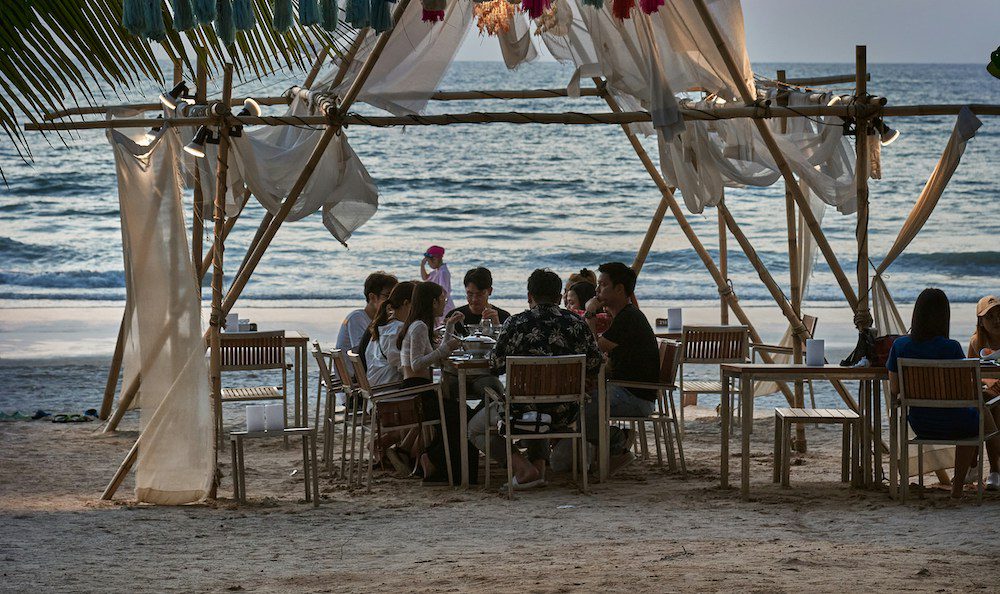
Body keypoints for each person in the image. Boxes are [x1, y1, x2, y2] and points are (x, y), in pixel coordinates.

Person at [468, 269, 603, 490]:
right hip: (565, 410)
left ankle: (522, 468)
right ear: (559, 298)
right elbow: (595, 363)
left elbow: (495, 365)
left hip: (523, 411)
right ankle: (538, 467)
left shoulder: (515, 324)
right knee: (536, 405)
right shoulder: (576, 324)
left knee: (474, 428)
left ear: (529, 296)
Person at [886, 288, 1000, 496]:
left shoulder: (900, 345)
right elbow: (965, 391)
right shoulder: (951, 347)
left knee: (974, 412)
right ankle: (959, 489)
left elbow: (894, 389)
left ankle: (980, 471)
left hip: (921, 423)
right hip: (957, 424)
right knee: (976, 416)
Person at [582, 262, 660, 473]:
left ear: (619, 289)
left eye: (603, 285)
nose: (597, 290)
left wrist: (590, 314)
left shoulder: (629, 318)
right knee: (578, 400)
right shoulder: (623, 316)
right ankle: (608, 447)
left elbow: (594, 350)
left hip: (635, 397)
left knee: (577, 408)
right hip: (627, 390)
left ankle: (618, 444)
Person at [397, 281, 466, 483]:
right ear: (433, 301)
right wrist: (446, 350)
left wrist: (450, 326)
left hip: (419, 390)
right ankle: (431, 459)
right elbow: (417, 363)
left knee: (457, 413)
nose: (445, 303)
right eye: (442, 300)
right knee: (461, 415)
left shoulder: (419, 324)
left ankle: (431, 459)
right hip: (417, 393)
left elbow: (433, 356)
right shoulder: (418, 327)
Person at [336, 271, 397, 376]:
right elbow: (363, 353)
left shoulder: (377, 320)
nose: (392, 301)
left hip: (363, 376)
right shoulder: (357, 318)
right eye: (387, 296)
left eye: (395, 296)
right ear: (372, 297)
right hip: (356, 378)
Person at [365, 281, 416, 387]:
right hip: (389, 392)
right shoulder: (397, 329)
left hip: (377, 388)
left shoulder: (383, 326)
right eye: (416, 305)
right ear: (406, 303)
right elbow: (404, 367)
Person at [448, 266, 511, 336]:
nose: (474, 299)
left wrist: (497, 327)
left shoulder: (504, 317)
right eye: (470, 294)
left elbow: (509, 345)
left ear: (490, 291)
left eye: (480, 294)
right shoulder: (454, 318)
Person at [969, 295, 1000, 398]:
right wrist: (987, 380)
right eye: (990, 316)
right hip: (992, 388)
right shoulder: (977, 342)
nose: (997, 320)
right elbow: (970, 373)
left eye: (999, 315)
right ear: (980, 321)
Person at [420, 245, 455, 317]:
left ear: (435, 259)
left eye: (428, 262)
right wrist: (422, 265)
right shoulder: (437, 271)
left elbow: (443, 291)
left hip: (444, 307)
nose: (428, 264)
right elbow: (425, 277)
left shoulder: (443, 272)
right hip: (440, 305)